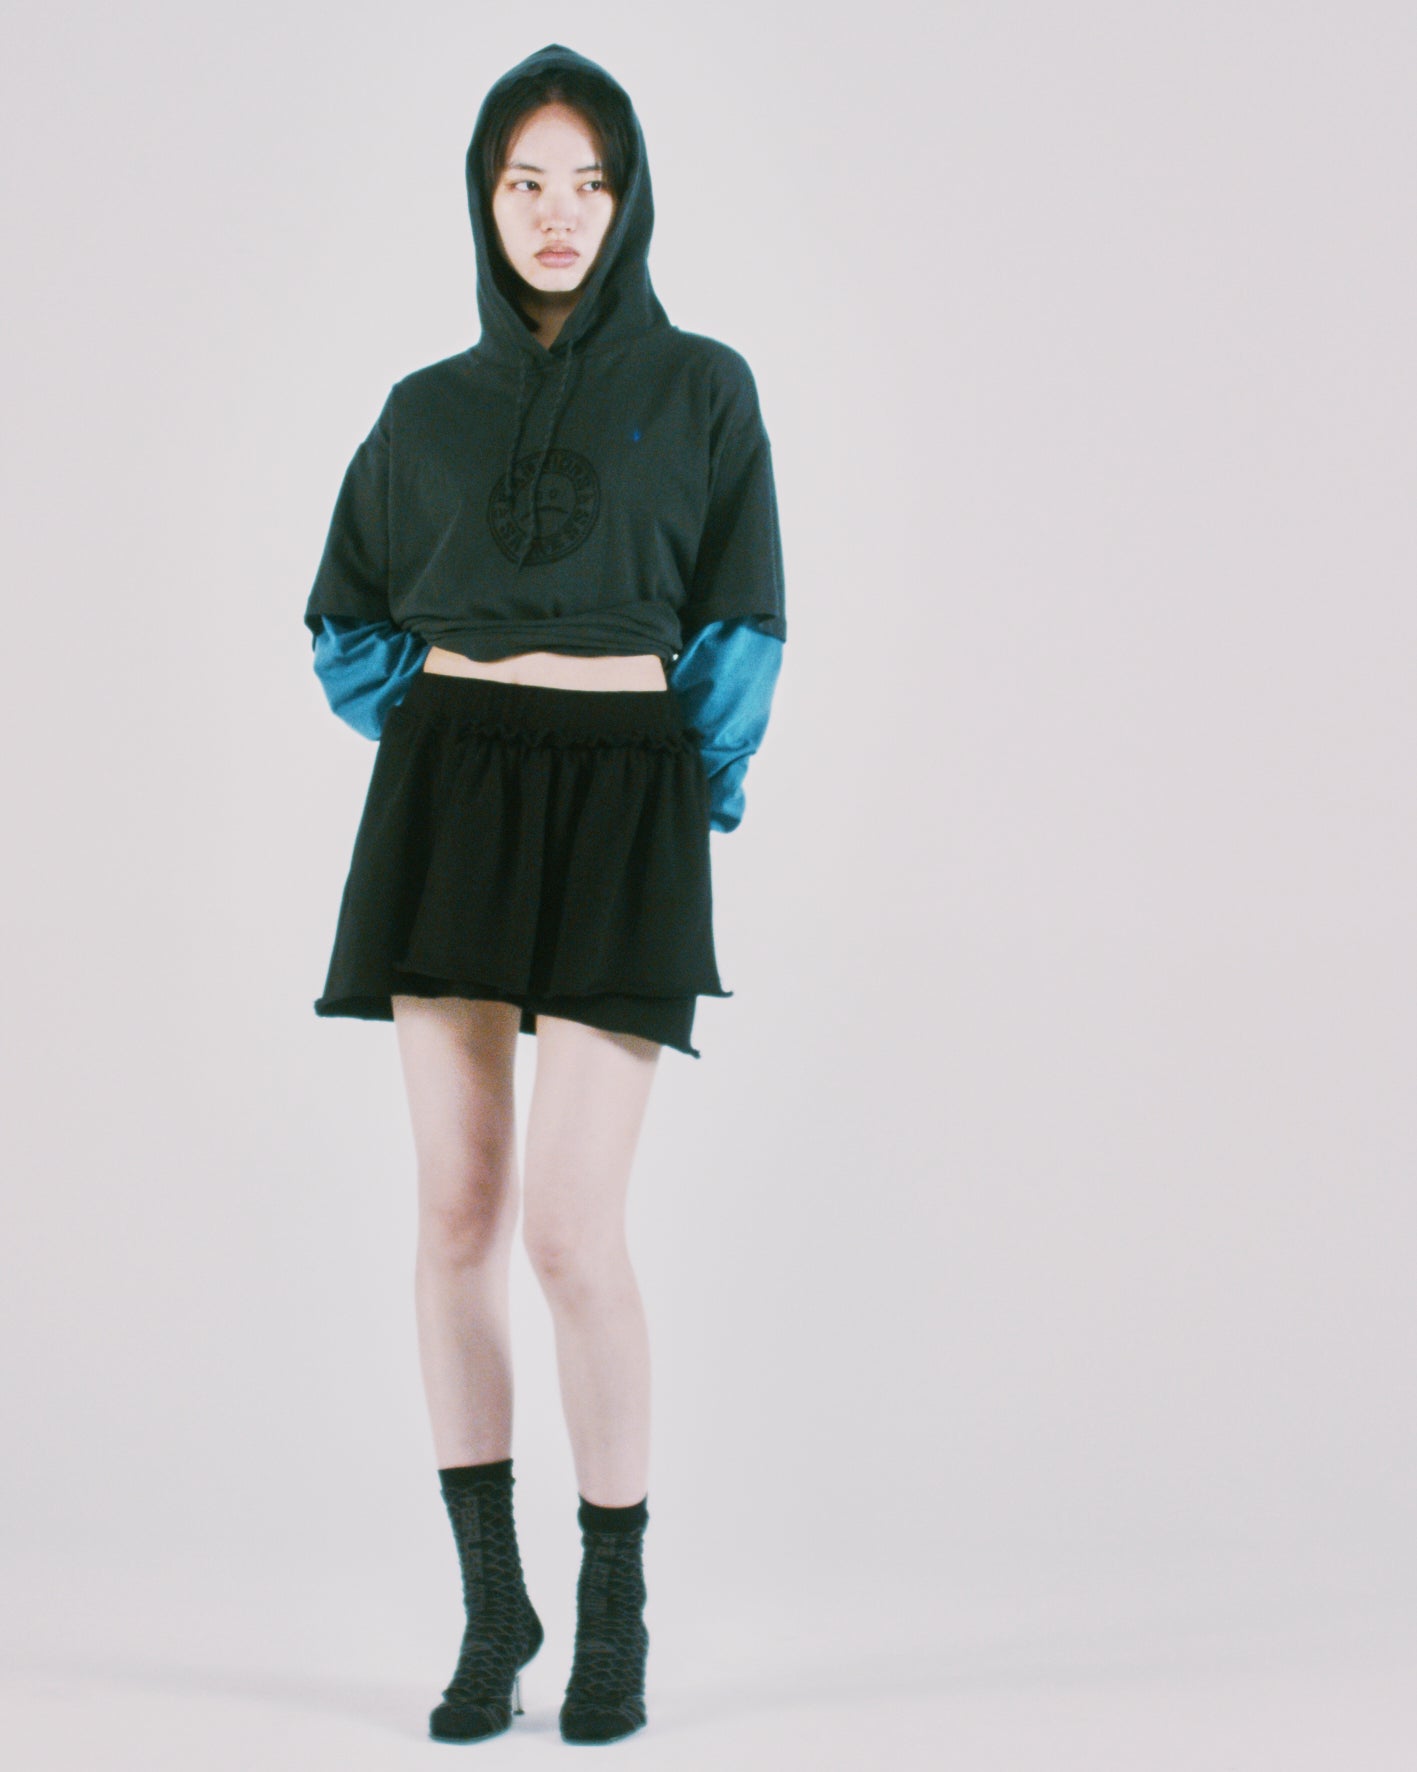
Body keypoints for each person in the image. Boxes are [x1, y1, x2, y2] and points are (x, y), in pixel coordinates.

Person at [302, 43, 786, 1746]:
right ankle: (491, 1605)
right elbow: (344, 622)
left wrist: (682, 786)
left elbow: (741, 622)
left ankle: (614, 1605)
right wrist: (448, 732)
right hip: (451, 799)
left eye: (587, 181)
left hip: (625, 799)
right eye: (525, 182)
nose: (556, 212)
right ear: (484, 199)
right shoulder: (422, 408)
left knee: (573, 1229)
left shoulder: (707, 386)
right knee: (455, 1217)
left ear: (627, 196)